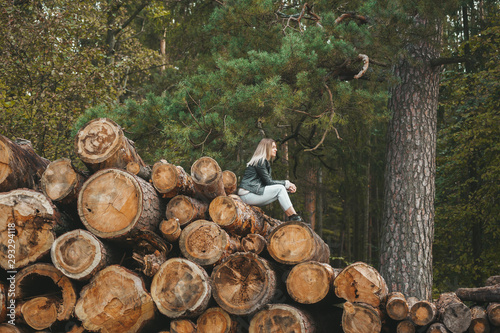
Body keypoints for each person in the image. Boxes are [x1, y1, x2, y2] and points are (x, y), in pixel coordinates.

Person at [238, 138, 304, 222]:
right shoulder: (260, 161)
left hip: (251, 194)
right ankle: (294, 217)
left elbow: (267, 185)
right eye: (273, 147)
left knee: (280, 190)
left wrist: (286, 189)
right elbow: (268, 182)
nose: (276, 149)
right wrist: (286, 183)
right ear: (266, 148)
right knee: (280, 188)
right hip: (246, 196)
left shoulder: (262, 161)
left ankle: (294, 218)